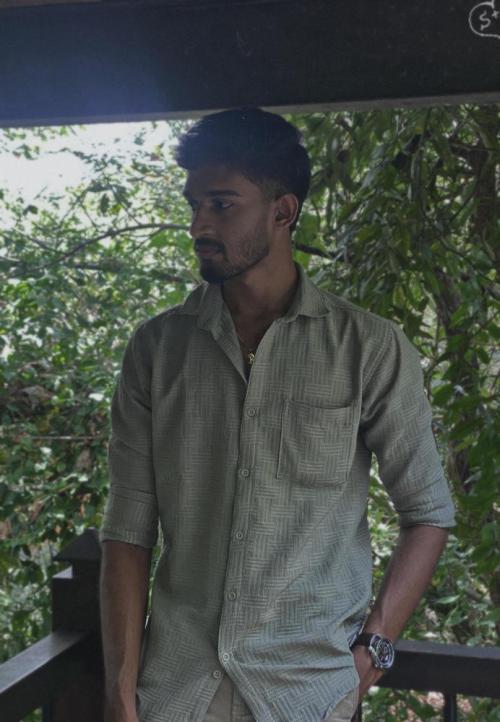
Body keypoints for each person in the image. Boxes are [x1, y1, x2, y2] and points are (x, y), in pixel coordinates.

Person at [99, 108, 455, 722]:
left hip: (307, 695)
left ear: (282, 211)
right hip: (176, 694)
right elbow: (128, 530)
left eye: (222, 204)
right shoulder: (157, 350)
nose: (199, 225)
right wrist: (120, 693)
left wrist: (373, 650)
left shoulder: (366, 347)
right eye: (194, 205)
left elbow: (427, 512)